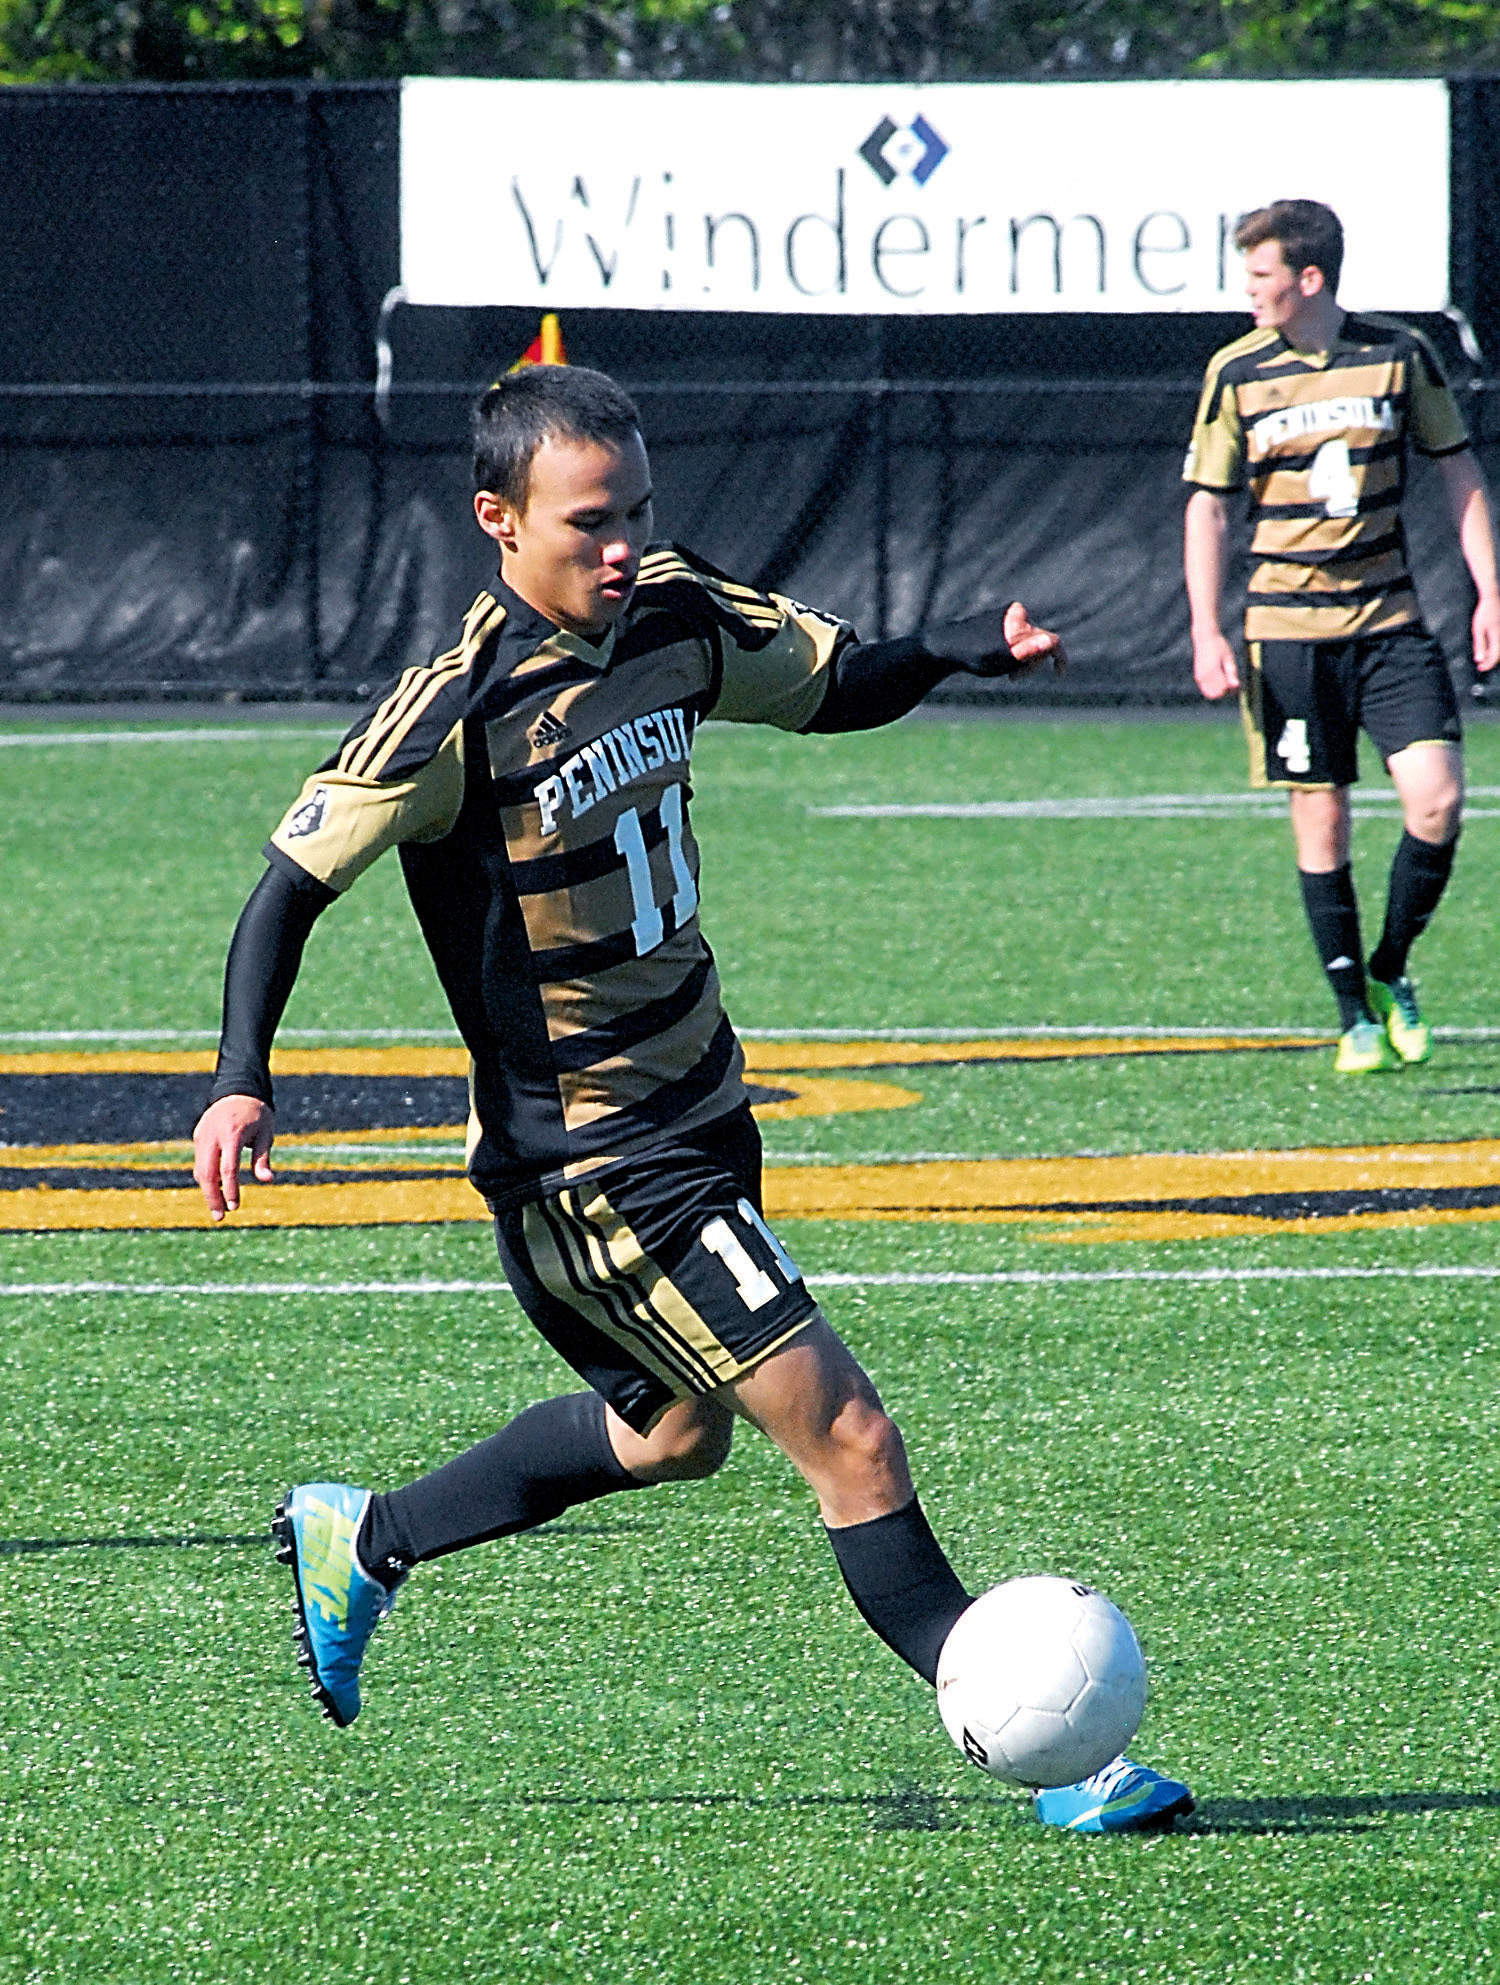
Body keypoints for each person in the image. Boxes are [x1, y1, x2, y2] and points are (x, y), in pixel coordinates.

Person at [192, 363, 1192, 1833]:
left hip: (703, 1115)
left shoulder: (669, 610)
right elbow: (288, 888)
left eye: (638, 512)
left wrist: (963, 650)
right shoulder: (457, 709)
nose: (623, 546)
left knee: (673, 1432)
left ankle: (370, 1536)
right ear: (497, 520)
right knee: (848, 1436)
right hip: (596, 1169)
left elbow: (829, 683)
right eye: (590, 521)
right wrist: (238, 1084)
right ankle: (1057, 1757)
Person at [1184, 198, 1500, 1071]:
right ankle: (1353, 1014)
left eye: (1261, 275)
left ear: (1308, 278)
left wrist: (1489, 591)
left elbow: (1459, 468)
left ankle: (1392, 966)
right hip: (1285, 635)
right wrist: (1207, 627)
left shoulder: (1400, 356)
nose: (1247, 291)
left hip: (1392, 624)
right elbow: (1208, 506)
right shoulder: (1237, 371)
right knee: (1321, 824)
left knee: (1436, 800)